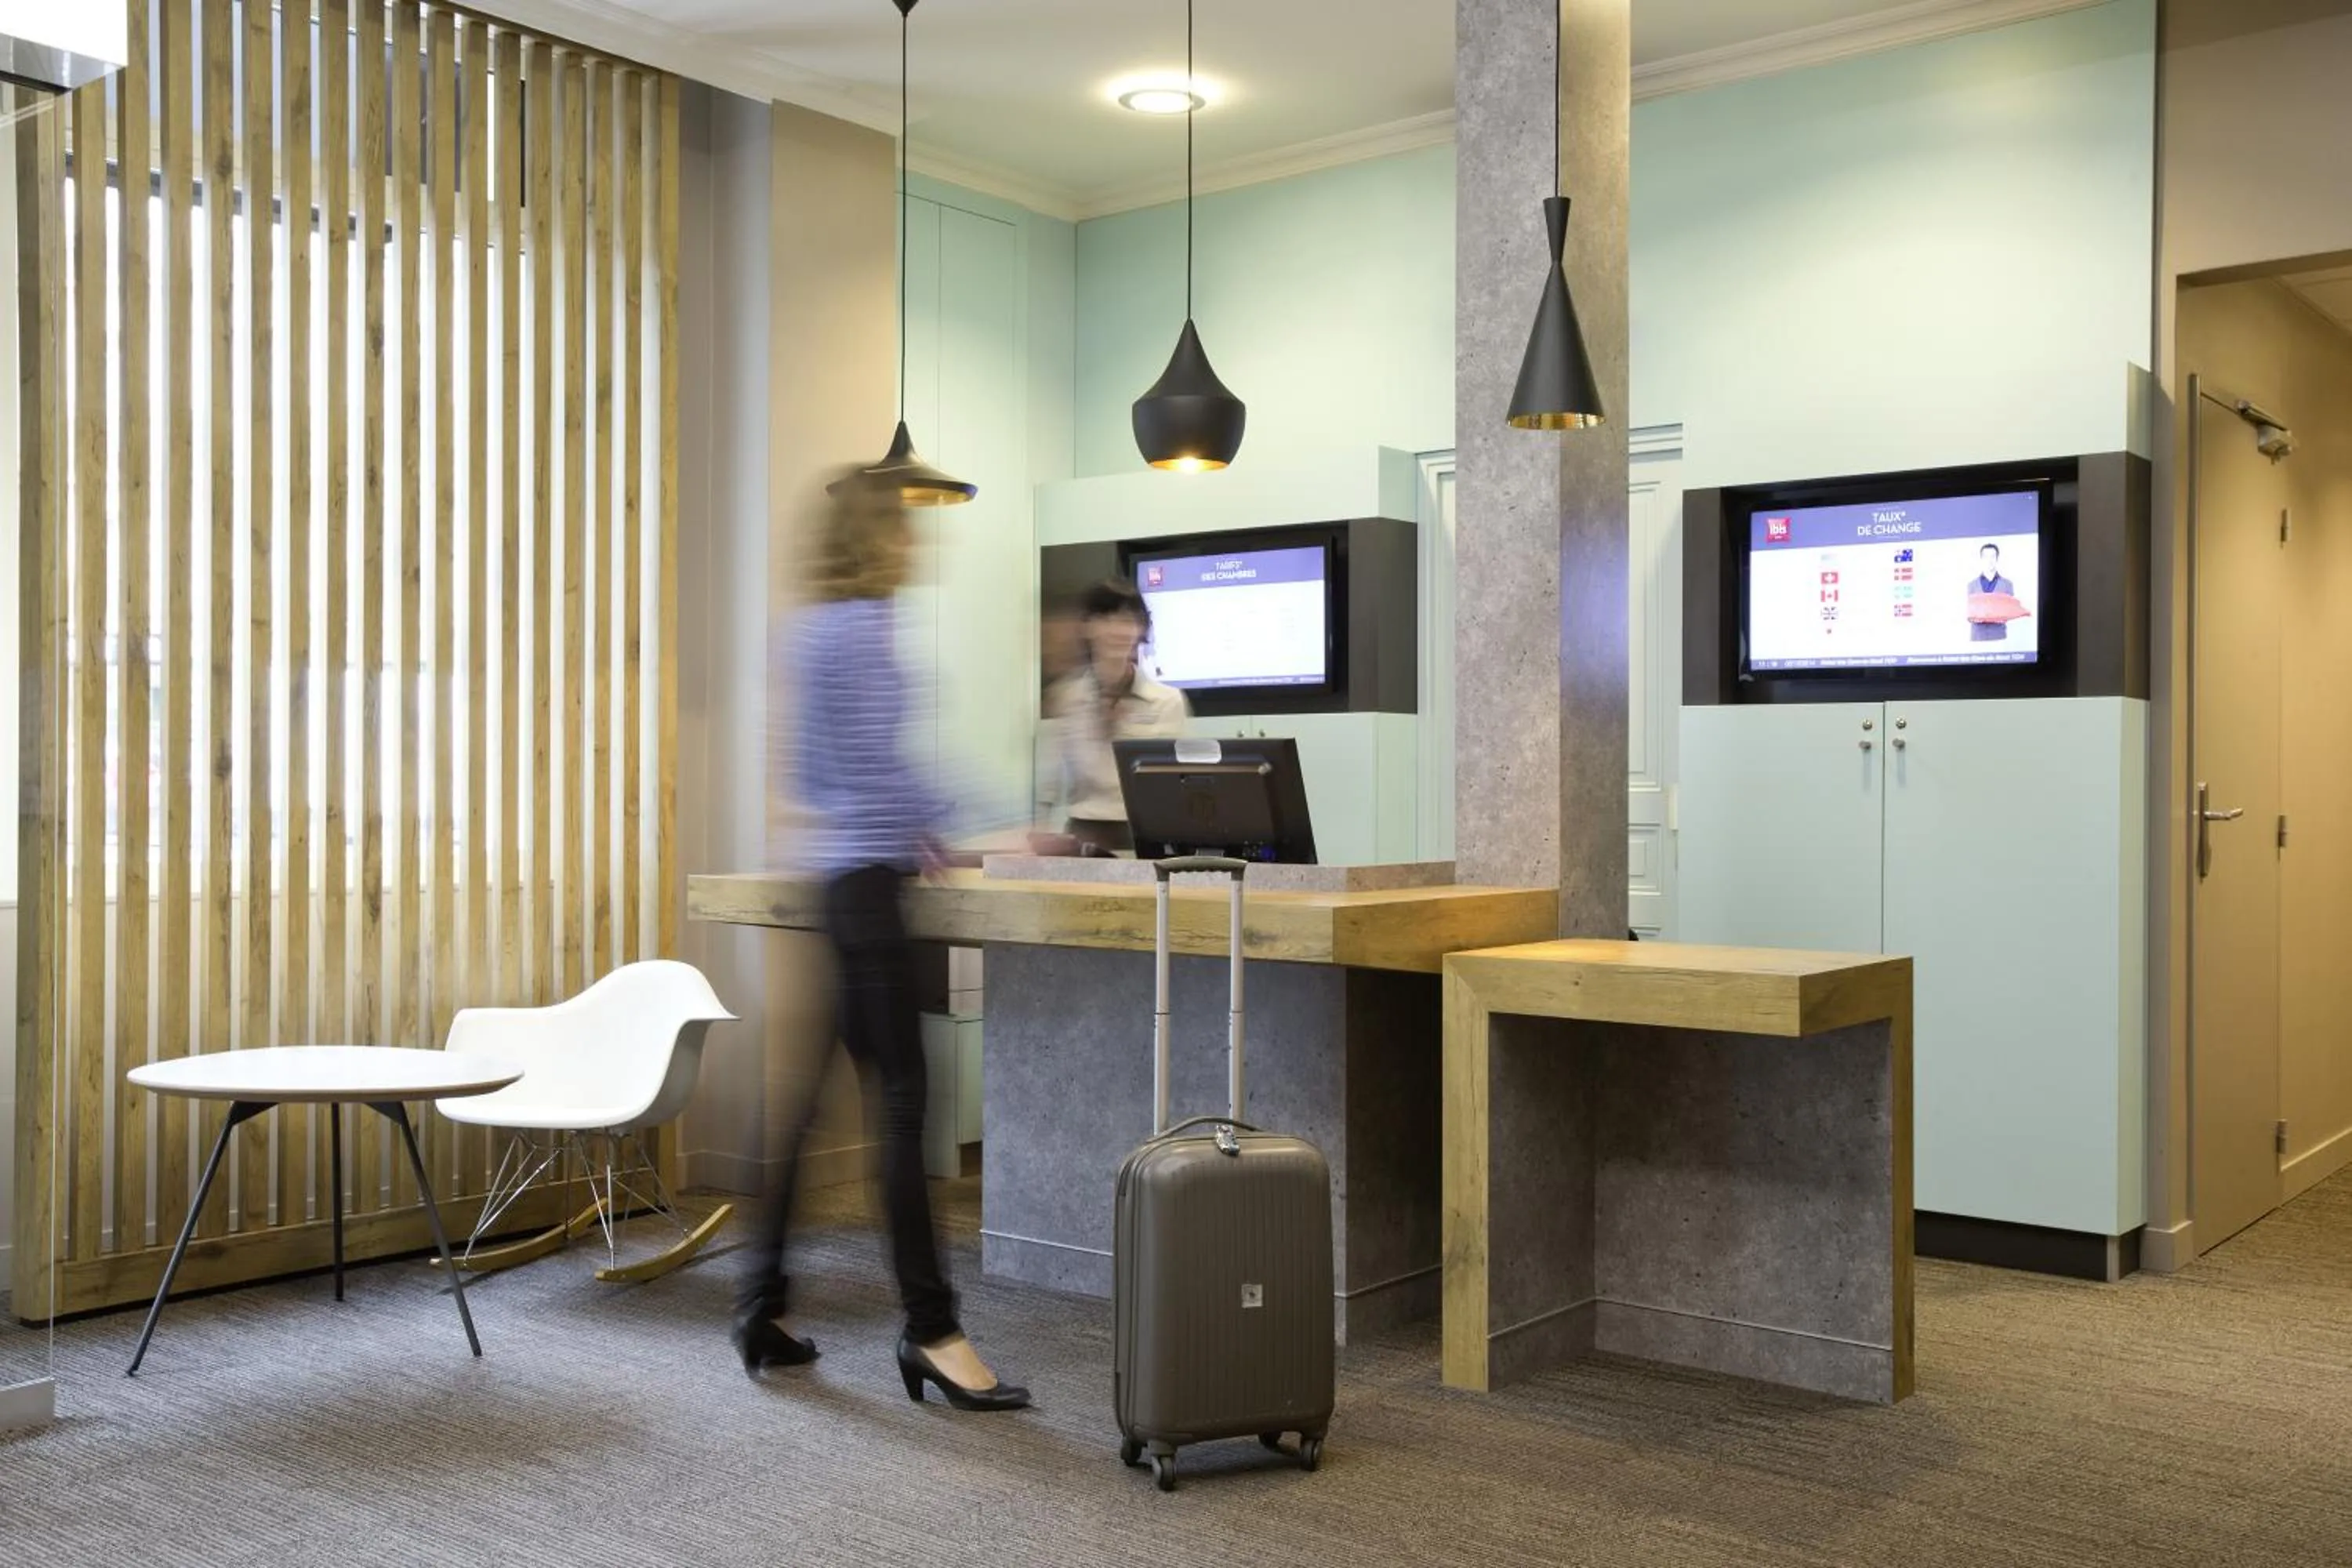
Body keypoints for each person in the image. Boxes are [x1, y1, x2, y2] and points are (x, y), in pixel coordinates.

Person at [735, 470, 1029, 1413]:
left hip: (834, 880)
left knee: (807, 1103)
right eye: (905, 532)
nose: (916, 546)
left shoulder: (805, 631)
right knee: (903, 1104)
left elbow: (816, 777)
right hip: (869, 889)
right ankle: (933, 1330)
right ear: (878, 540)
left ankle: (761, 1305)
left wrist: (915, 825)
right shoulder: (865, 628)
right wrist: (1003, 821)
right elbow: (884, 769)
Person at [1038, 579, 1191, 853]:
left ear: (1141, 629)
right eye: (1107, 619)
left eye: (1128, 621)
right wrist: (1039, 838)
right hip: (1083, 836)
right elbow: (1048, 786)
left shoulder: (1167, 701)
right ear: (1087, 627)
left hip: (1143, 835)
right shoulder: (1067, 698)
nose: (1118, 631)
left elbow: (1173, 784)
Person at [1967, 543, 2016, 642]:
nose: (1989, 560)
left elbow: (2011, 611)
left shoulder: (2008, 584)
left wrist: (2002, 616)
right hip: (1978, 638)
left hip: (1999, 637)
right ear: (1981, 559)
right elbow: (1968, 612)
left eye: (1992, 557)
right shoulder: (1971, 585)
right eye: (1986, 557)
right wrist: (1973, 617)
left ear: (1997, 559)